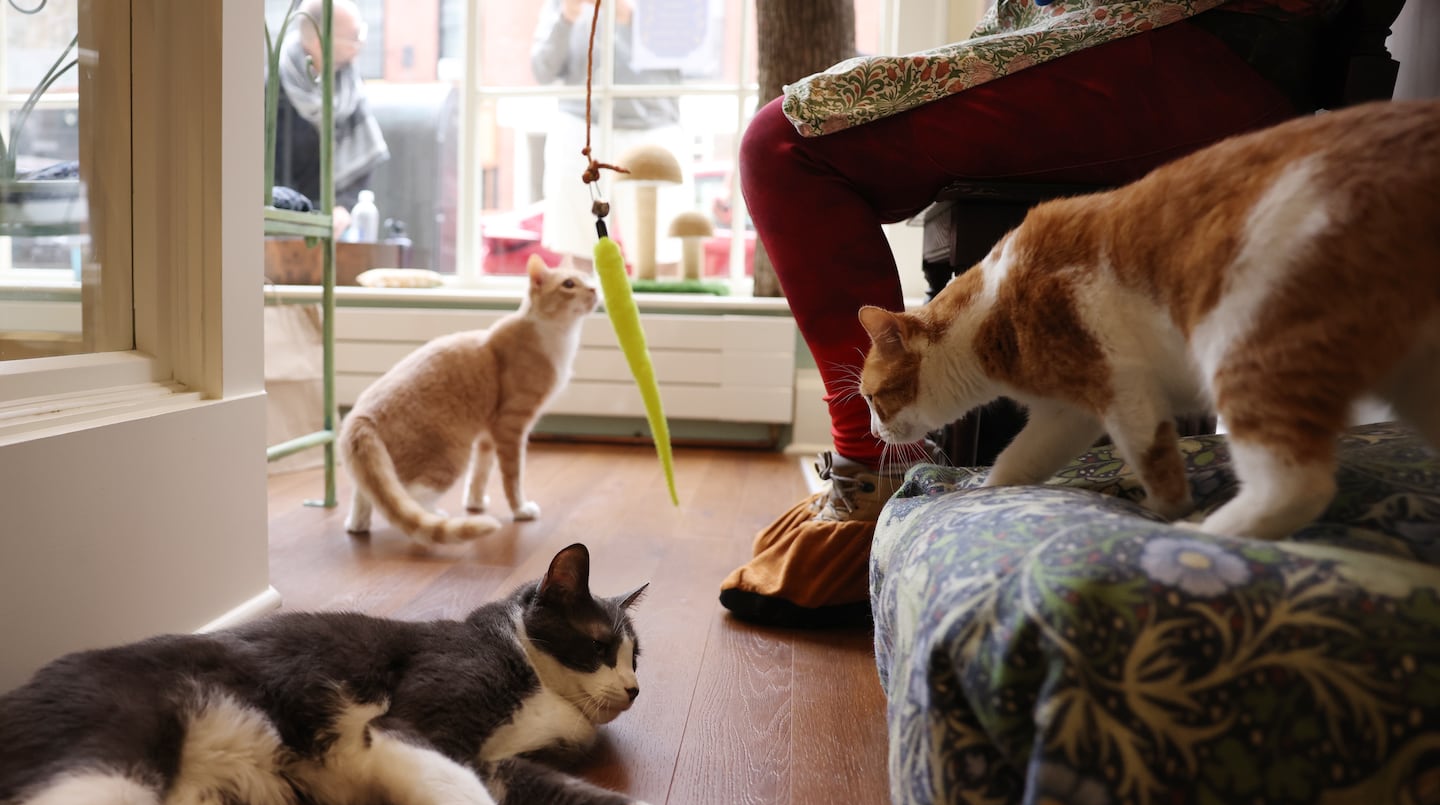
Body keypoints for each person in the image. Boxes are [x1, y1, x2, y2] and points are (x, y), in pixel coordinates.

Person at [719, 0, 1341, 627]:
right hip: (1167, 37)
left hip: (1192, 37)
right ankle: (880, 470)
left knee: (782, 145)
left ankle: (867, 478)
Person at [531, 0, 694, 270]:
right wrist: (566, 18)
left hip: (653, 128)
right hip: (581, 128)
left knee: (660, 254)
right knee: (579, 248)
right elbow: (542, 69)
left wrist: (632, 20)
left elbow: (694, 56)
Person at [273, 0, 389, 238]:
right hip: (281, 230)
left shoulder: (350, 85)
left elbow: (361, 162)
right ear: (319, 42)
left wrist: (344, 207)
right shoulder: (272, 90)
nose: (361, 45)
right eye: (353, 38)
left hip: (334, 230)